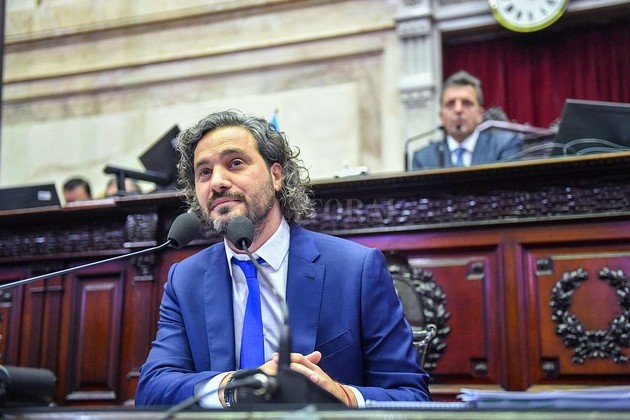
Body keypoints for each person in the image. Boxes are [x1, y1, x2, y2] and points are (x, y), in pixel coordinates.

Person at [135, 110, 431, 408]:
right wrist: (235, 388)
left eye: (235, 163)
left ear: (276, 175)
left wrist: (344, 397)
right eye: (205, 172)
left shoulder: (356, 269)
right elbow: (153, 388)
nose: (218, 182)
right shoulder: (185, 280)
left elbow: (411, 395)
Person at [411, 70, 522, 169]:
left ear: (480, 114)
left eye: (466, 103)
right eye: (450, 104)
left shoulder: (504, 145)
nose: (458, 110)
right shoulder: (424, 158)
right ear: (441, 116)